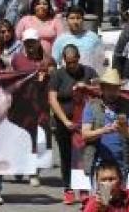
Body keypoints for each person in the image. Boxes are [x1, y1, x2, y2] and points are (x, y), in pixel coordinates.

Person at [49, 44, 98, 204]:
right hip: (64, 122)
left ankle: (83, 188)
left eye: (73, 62)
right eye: (68, 62)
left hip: (86, 123)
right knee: (66, 155)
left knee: (85, 155)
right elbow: (52, 99)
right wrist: (65, 121)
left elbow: (100, 91)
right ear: (64, 60)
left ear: (78, 58)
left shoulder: (89, 72)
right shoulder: (58, 75)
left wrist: (88, 87)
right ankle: (68, 188)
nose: (71, 65)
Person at [80, 68, 129, 182]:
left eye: (115, 88)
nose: (113, 92)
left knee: (119, 198)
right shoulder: (92, 105)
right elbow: (85, 134)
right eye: (109, 88)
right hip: (97, 161)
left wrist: (123, 130)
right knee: (101, 198)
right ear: (102, 88)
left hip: (121, 161)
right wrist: (105, 130)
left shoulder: (127, 105)